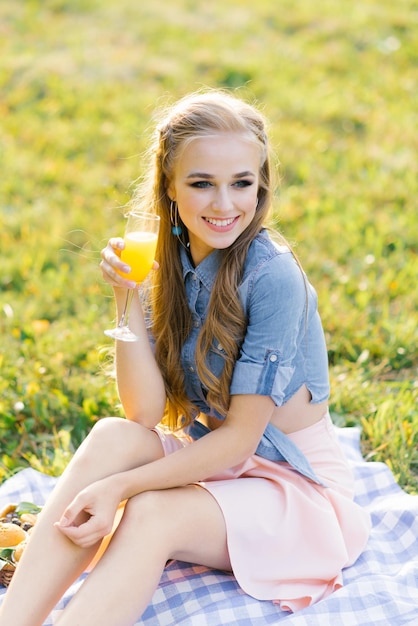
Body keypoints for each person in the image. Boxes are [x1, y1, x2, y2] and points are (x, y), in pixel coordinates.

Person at [0, 90, 371, 626]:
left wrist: (119, 488)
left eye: (241, 183)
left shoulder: (273, 277)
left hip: (292, 490)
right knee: (112, 436)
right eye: (202, 184)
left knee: (150, 512)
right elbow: (144, 415)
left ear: (260, 185)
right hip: (217, 465)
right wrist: (127, 298)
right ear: (169, 187)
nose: (225, 205)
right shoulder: (165, 258)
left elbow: (241, 440)